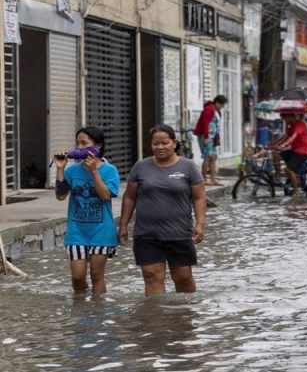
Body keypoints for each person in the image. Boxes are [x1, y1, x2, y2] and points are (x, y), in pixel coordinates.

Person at [118, 125, 206, 297]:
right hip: (147, 233)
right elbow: (129, 197)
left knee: (183, 277)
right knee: (151, 276)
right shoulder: (141, 167)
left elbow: (199, 197)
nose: (160, 147)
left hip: (179, 233)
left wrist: (200, 224)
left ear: (174, 143)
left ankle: (184, 316)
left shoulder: (188, 167)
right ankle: (156, 319)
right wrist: (123, 225)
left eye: (164, 143)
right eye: (155, 143)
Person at [54, 127, 120, 295]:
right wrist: (60, 169)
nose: (79, 147)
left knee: (97, 275)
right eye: (77, 144)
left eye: (84, 143)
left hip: (102, 232)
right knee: (77, 277)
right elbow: (60, 196)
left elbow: (105, 196)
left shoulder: (110, 170)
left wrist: (94, 172)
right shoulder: (72, 171)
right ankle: (81, 308)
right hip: (77, 232)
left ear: (97, 146)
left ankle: (98, 313)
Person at [270, 111, 307, 197]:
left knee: (289, 169)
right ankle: (278, 176)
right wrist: (274, 145)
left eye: (285, 118)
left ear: (290, 116)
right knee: (275, 155)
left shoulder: (300, 124)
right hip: (295, 151)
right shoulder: (291, 127)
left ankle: (296, 191)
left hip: (302, 152)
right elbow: (285, 137)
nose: (284, 120)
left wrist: (284, 145)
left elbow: (293, 136)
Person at [193, 95, 227, 186]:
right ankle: (203, 179)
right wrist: (206, 137)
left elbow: (217, 126)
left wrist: (217, 138)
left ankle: (213, 179)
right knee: (207, 157)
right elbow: (205, 123)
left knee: (214, 157)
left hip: (213, 136)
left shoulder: (217, 111)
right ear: (217, 102)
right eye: (221, 104)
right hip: (206, 136)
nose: (222, 107)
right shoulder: (209, 109)